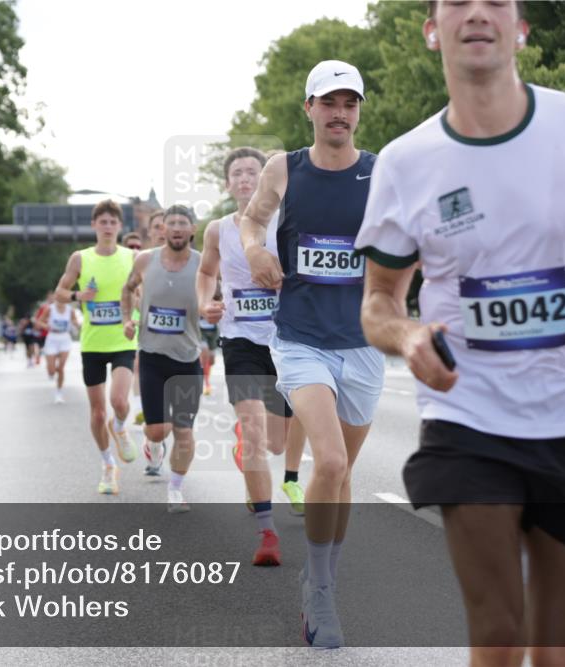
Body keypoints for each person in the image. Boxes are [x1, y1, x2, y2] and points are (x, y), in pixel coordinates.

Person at [355, 2, 565, 665]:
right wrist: (410, 338)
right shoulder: (406, 162)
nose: (477, 12)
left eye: (496, 1)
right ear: (432, 31)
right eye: (456, 3)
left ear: (520, 29)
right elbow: (379, 300)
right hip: (469, 416)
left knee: (559, 655)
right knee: (498, 632)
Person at [241, 59, 384, 648]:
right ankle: (320, 592)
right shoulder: (285, 169)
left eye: (350, 103)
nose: (340, 114)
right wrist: (253, 250)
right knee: (327, 464)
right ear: (309, 109)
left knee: (343, 473)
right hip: (300, 338)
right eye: (329, 103)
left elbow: (413, 241)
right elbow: (252, 224)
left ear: (358, 112)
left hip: (364, 346)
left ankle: (320, 575)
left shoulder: (381, 173)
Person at [198, 146, 309, 566]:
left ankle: (248, 449)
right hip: (240, 339)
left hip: (285, 339)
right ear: (227, 184)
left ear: (264, 179)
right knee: (255, 433)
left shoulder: (288, 222)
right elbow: (207, 273)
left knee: (277, 443)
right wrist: (206, 302)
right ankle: (268, 534)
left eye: (252, 172)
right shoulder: (217, 230)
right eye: (237, 173)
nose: (245, 179)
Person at [54, 199, 139, 495]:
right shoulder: (80, 258)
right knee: (97, 412)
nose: (107, 226)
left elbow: (144, 291)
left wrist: (137, 309)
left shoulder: (131, 257)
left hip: (123, 339)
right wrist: (80, 296)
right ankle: (107, 465)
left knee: (119, 401)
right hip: (92, 344)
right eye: (102, 222)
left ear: (119, 226)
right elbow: (60, 293)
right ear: (94, 225)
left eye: (112, 222)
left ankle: (121, 428)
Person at [122, 205, 203, 513]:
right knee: (158, 429)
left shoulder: (203, 263)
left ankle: (176, 489)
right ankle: (153, 444)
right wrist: (127, 320)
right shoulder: (145, 260)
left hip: (187, 358)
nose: (178, 227)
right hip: (153, 357)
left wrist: (215, 307)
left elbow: (220, 295)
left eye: (184, 222)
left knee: (183, 430)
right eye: (172, 223)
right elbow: (127, 290)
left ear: (192, 230)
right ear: (163, 229)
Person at [121, 232, 147, 425]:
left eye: (138, 246)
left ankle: (141, 408)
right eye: (131, 247)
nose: (135, 250)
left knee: (141, 365)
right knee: (135, 366)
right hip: (121, 323)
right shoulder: (119, 268)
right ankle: (136, 407)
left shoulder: (145, 266)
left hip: (143, 320)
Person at [35, 297, 81, 403]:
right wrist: (47, 326)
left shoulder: (70, 310)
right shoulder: (50, 309)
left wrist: (76, 324)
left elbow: (75, 322)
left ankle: (59, 393)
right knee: (51, 371)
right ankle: (50, 370)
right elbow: (39, 322)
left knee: (61, 368)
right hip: (52, 338)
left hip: (64, 338)